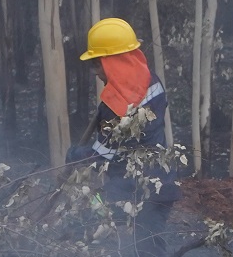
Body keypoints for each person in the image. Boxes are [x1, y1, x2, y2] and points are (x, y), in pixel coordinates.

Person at [67, 17, 178, 242]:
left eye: (97, 63)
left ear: (113, 62)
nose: (93, 71)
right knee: (145, 250)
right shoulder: (152, 82)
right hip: (160, 183)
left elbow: (102, 158)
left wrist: (75, 155)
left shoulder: (115, 106)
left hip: (136, 191)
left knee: (142, 254)